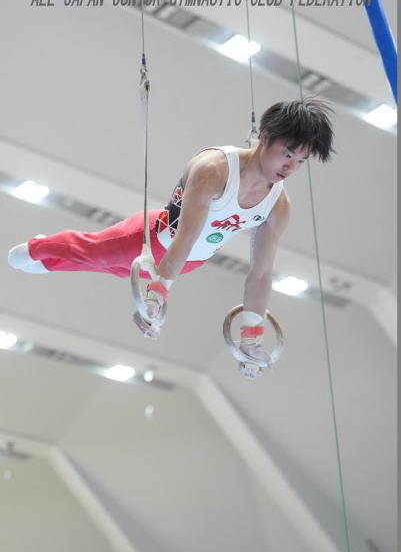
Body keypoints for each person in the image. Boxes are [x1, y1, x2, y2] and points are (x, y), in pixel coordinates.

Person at [8, 98, 334, 379]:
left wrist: (252, 336)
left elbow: (260, 274)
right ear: (264, 137)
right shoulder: (214, 169)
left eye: (301, 161)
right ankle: (39, 248)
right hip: (151, 239)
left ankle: (48, 262)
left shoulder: (278, 205)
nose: (291, 167)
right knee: (94, 253)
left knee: (111, 270)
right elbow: (186, 237)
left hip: (187, 263)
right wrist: (157, 294)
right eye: (287, 154)